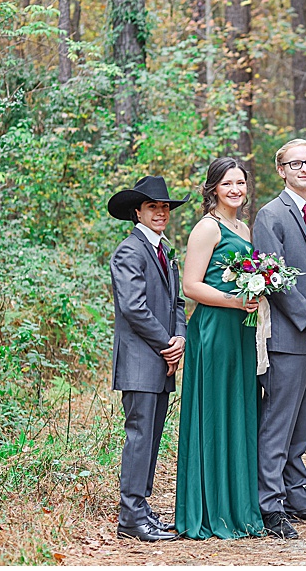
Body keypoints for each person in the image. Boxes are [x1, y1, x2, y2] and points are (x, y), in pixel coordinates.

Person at [174, 158, 266, 539]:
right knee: (214, 412)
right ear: (213, 188)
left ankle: (237, 504)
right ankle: (209, 507)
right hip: (214, 330)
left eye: (240, 183)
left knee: (239, 409)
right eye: (227, 183)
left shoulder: (243, 227)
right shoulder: (206, 228)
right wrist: (235, 300)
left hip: (243, 331)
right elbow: (191, 287)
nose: (235, 190)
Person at [253, 138, 306, 540]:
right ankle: (269, 504)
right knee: (278, 423)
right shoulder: (270, 216)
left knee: (303, 422)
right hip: (287, 336)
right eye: (296, 163)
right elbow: (274, 278)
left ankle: (295, 492)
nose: (305, 168)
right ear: (281, 170)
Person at [108, 176, 189, 541]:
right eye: (153, 207)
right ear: (137, 212)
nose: (161, 212)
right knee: (140, 437)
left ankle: (141, 507)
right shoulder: (129, 251)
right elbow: (134, 308)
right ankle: (130, 518)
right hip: (142, 360)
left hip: (162, 358)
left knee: (153, 437)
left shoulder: (165, 251)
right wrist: (166, 344)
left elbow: (177, 303)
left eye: (165, 207)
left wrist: (180, 339)